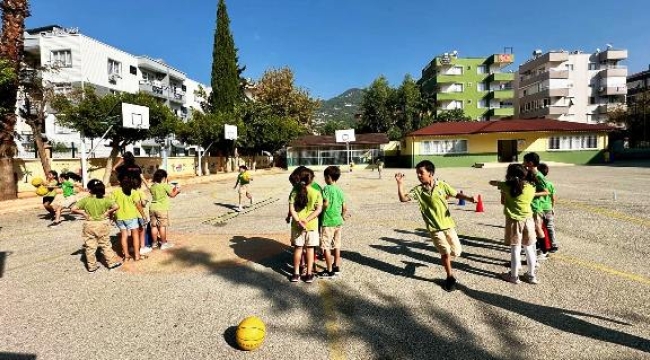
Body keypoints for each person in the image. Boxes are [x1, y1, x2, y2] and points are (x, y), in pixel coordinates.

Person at [395, 160, 477, 292]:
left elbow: (456, 194)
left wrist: (469, 198)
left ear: (431, 173)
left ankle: (416, 265)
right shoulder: (418, 190)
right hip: (434, 229)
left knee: (456, 252)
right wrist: (400, 184)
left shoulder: (442, 185)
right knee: (445, 253)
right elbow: (403, 198)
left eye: (421, 173)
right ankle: (450, 277)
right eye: (417, 174)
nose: (419, 176)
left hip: (449, 225)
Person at [489, 164, 539, 284]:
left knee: (515, 249)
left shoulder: (506, 186)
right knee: (529, 248)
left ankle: (514, 276)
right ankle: (531, 276)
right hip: (528, 220)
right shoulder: (531, 186)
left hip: (514, 221)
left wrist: (500, 183)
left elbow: (491, 182)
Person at [70, 180, 122, 272]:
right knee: (105, 244)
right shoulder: (106, 199)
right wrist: (108, 212)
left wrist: (83, 213)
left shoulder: (85, 200)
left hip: (89, 224)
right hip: (102, 224)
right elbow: (116, 206)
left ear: (89, 190)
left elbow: (73, 208)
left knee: (90, 246)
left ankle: (92, 266)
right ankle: (111, 263)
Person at [288, 167, 323, 283]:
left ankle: (296, 273)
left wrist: (298, 220)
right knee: (310, 249)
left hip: (297, 226)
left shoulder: (294, 191)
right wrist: (307, 220)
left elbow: (291, 209)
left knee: (298, 249)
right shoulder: (316, 192)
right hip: (311, 225)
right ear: (311, 179)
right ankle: (308, 274)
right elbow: (318, 210)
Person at [317, 166, 348, 278]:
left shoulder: (326, 189)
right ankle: (336, 266)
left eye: (325, 177)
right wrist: (342, 216)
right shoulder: (340, 190)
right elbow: (344, 207)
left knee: (325, 246)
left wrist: (320, 210)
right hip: (338, 221)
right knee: (337, 245)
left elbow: (325, 203)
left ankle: (329, 270)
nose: (324, 179)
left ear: (328, 177)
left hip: (328, 221)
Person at [522, 152, 551, 258]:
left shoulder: (538, 175)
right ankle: (537, 248)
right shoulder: (529, 173)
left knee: (538, 228)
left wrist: (532, 194)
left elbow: (546, 192)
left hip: (536, 206)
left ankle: (544, 251)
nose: (523, 163)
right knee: (533, 228)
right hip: (530, 205)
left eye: (524, 161)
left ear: (530, 163)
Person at [110, 176, 145, 261]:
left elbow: (111, 205)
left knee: (124, 236)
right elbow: (138, 205)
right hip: (131, 217)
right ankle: (137, 256)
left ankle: (126, 256)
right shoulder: (133, 192)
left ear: (120, 182)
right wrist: (143, 215)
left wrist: (111, 217)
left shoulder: (115, 192)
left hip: (119, 217)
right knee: (135, 235)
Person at [149, 169, 180, 250]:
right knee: (162, 226)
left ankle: (154, 243)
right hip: (162, 208)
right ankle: (163, 243)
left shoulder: (152, 186)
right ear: (164, 177)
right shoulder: (165, 185)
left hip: (152, 207)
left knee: (154, 226)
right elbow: (172, 195)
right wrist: (177, 190)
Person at [537, 163, 558, 253]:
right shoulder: (550, 184)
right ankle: (553, 245)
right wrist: (553, 207)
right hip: (548, 208)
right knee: (550, 227)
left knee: (539, 227)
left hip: (539, 208)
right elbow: (553, 198)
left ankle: (541, 244)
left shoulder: (537, 184)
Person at [133, 176, 152, 255]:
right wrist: (146, 201)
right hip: (141, 215)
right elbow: (143, 203)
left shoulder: (131, 192)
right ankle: (143, 247)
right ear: (140, 183)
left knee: (135, 232)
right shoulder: (140, 192)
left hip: (133, 215)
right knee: (143, 232)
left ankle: (133, 247)